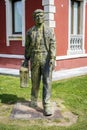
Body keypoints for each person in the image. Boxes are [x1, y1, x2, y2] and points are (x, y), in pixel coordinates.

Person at [22, 9, 56, 116]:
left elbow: (53, 45)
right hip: (35, 58)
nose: (39, 17)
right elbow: (27, 47)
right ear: (34, 18)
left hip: (46, 59)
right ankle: (33, 100)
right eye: (36, 16)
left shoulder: (49, 31)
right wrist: (26, 60)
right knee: (34, 81)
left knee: (47, 82)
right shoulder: (30, 32)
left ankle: (46, 105)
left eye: (41, 15)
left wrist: (52, 58)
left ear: (44, 17)